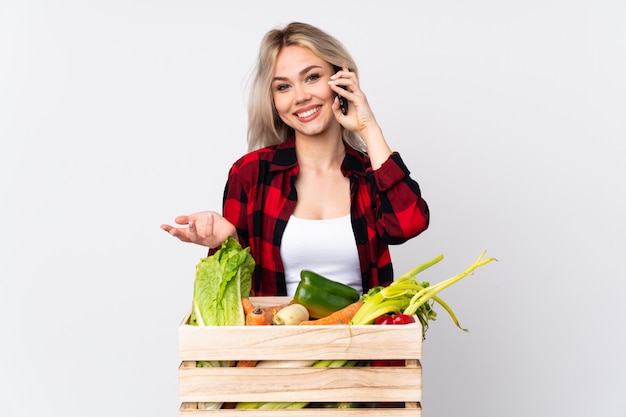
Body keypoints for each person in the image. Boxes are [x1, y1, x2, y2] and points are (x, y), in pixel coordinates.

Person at [161, 22, 429, 296]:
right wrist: (227, 242)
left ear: (341, 78)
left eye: (312, 77)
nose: (300, 97)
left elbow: (408, 225)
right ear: (274, 100)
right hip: (277, 336)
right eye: (283, 87)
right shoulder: (251, 173)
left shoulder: (368, 174)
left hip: (362, 336)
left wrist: (368, 127)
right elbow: (233, 295)